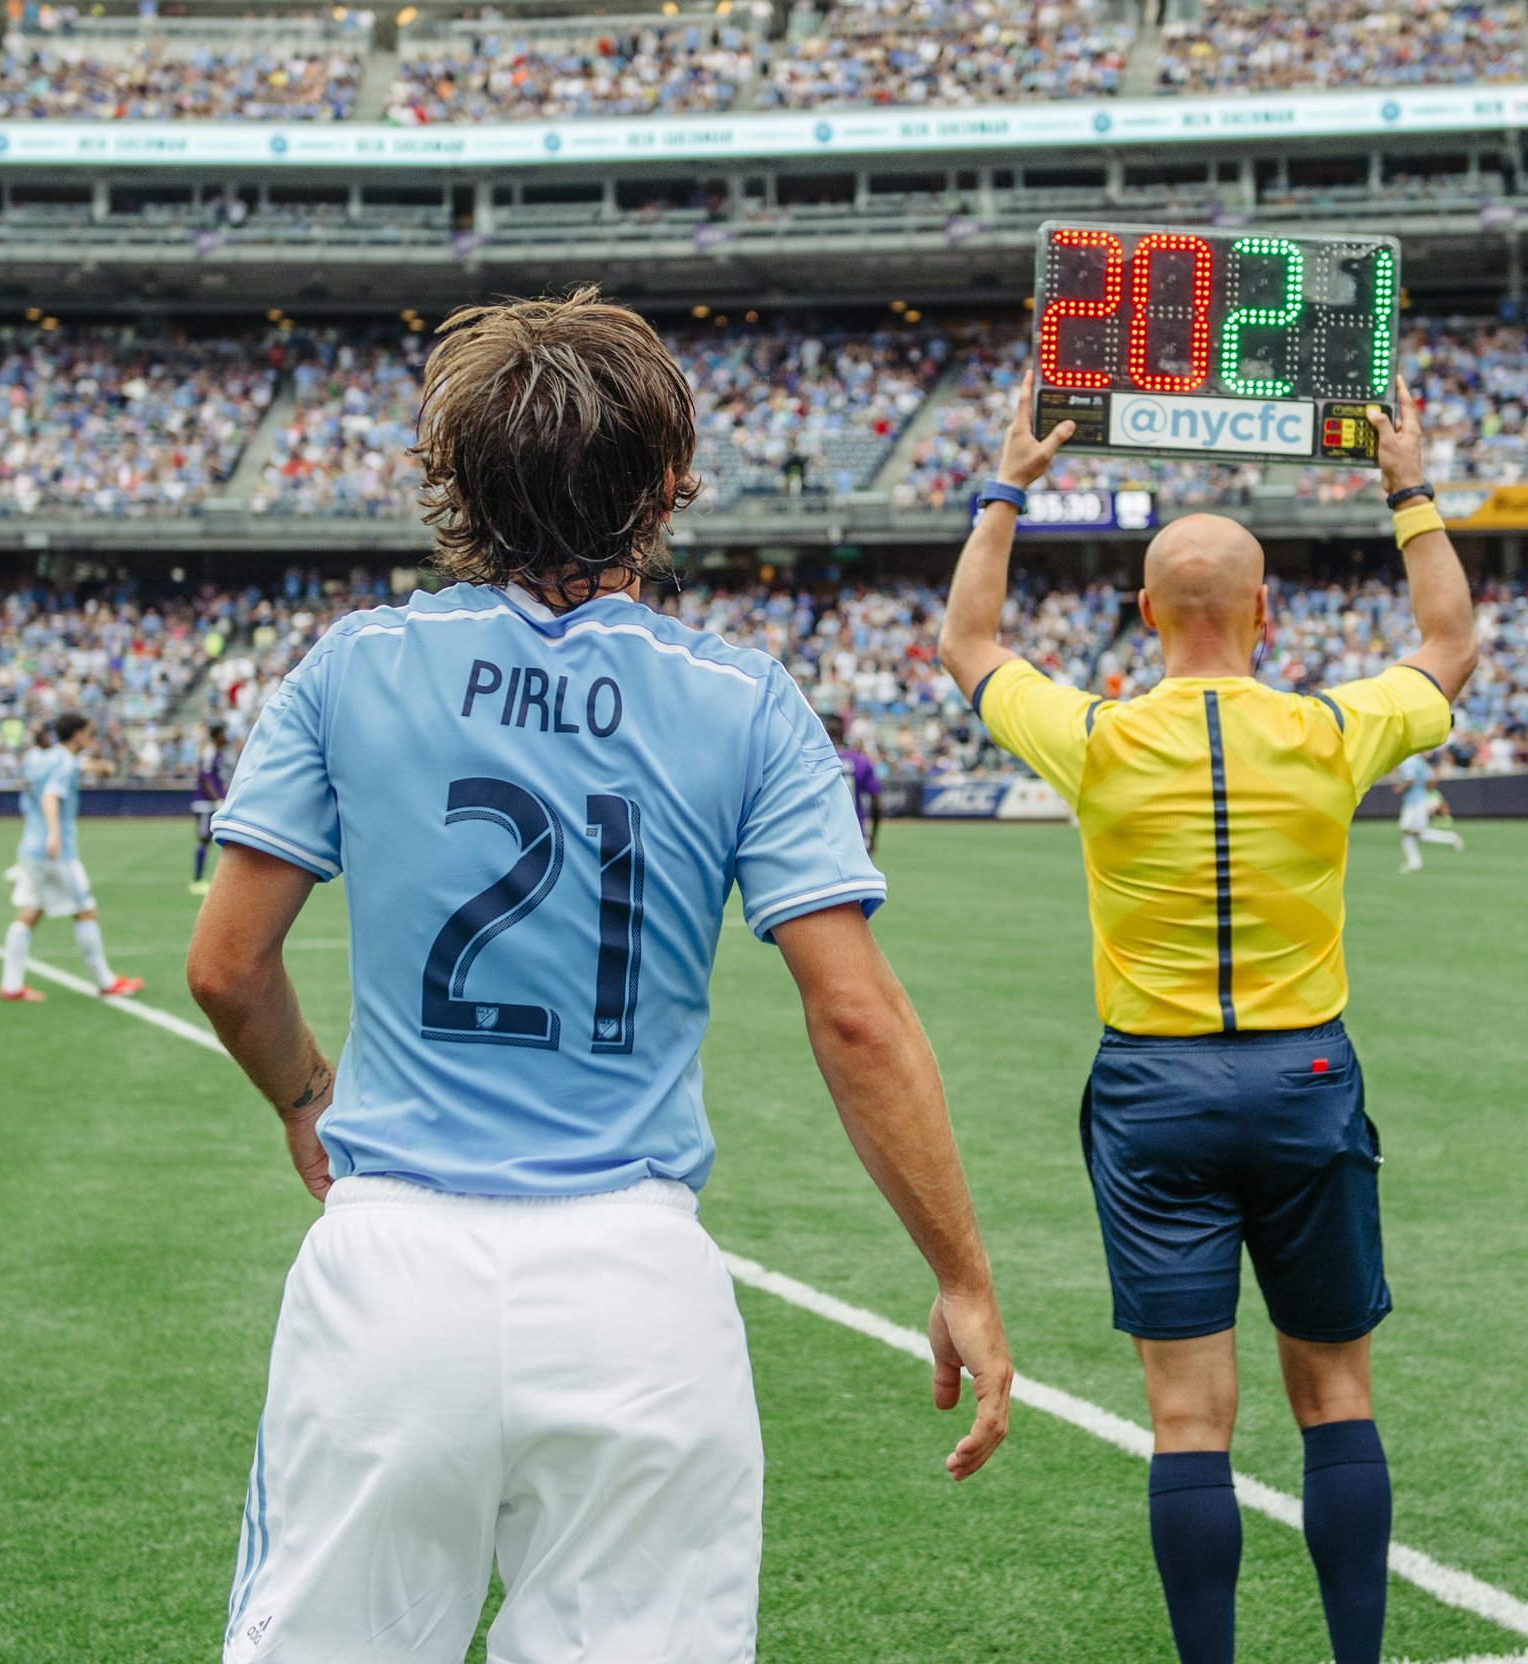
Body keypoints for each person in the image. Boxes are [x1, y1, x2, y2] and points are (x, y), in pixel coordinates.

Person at [183, 289, 1012, 1664]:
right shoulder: (745, 699)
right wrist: (962, 1274)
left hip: (392, 1268)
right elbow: (857, 1019)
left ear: (454, 483)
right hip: (636, 1281)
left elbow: (225, 967)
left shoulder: (356, 664)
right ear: (670, 481)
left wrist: (301, 1095)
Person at [938, 376, 1475, 1664]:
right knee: (1336, 1398)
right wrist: (1408, 487)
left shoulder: (1100, 738)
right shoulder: (1330, 728)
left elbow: (967, 644)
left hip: (1155, 1092)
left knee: (1188, 1423)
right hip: (1303, 1074)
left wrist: (1008, 483)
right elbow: (1449, 645)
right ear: (1266, 612)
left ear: (1140, 615)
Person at [0, 714, 145, 1004]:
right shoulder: (64, 762)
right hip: (56, 852)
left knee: (29, 912)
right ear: (77, 734)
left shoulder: (39, 758)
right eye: (89, 734)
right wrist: (54, 834)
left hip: (29, 848)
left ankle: (11, 985)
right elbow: (50, 795)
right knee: (85, 910)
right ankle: (105, 982)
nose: (92, 740)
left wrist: (96, 766)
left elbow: (48, 777)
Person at [1393, 750, 1464, 873]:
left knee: (1407, 830)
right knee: (1415, 834)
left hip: (1413, 802)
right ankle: (1416, 861)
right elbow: (1431, 779)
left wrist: (1401, 787)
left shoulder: (1408, 761)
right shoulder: (1420, 761)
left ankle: (1415, 862)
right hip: (1420, 800)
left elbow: (1411, 780)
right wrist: (1426, 792)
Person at [824, 709, 883, 854]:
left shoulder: (816, 761)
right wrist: (873, 837)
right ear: (844, 732)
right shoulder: (860, 761)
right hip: (855, 835)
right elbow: (876, 803)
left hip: (824, 835)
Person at [190, 721, 230, 895]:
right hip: (205, 804)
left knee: (216, 840)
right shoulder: (209, 752)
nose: (226, 737)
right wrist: (216, 799)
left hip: (212, 803)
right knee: (204, 839)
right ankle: (197, 880)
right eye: (223, 733)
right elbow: (205, 778)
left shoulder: (217, 753)